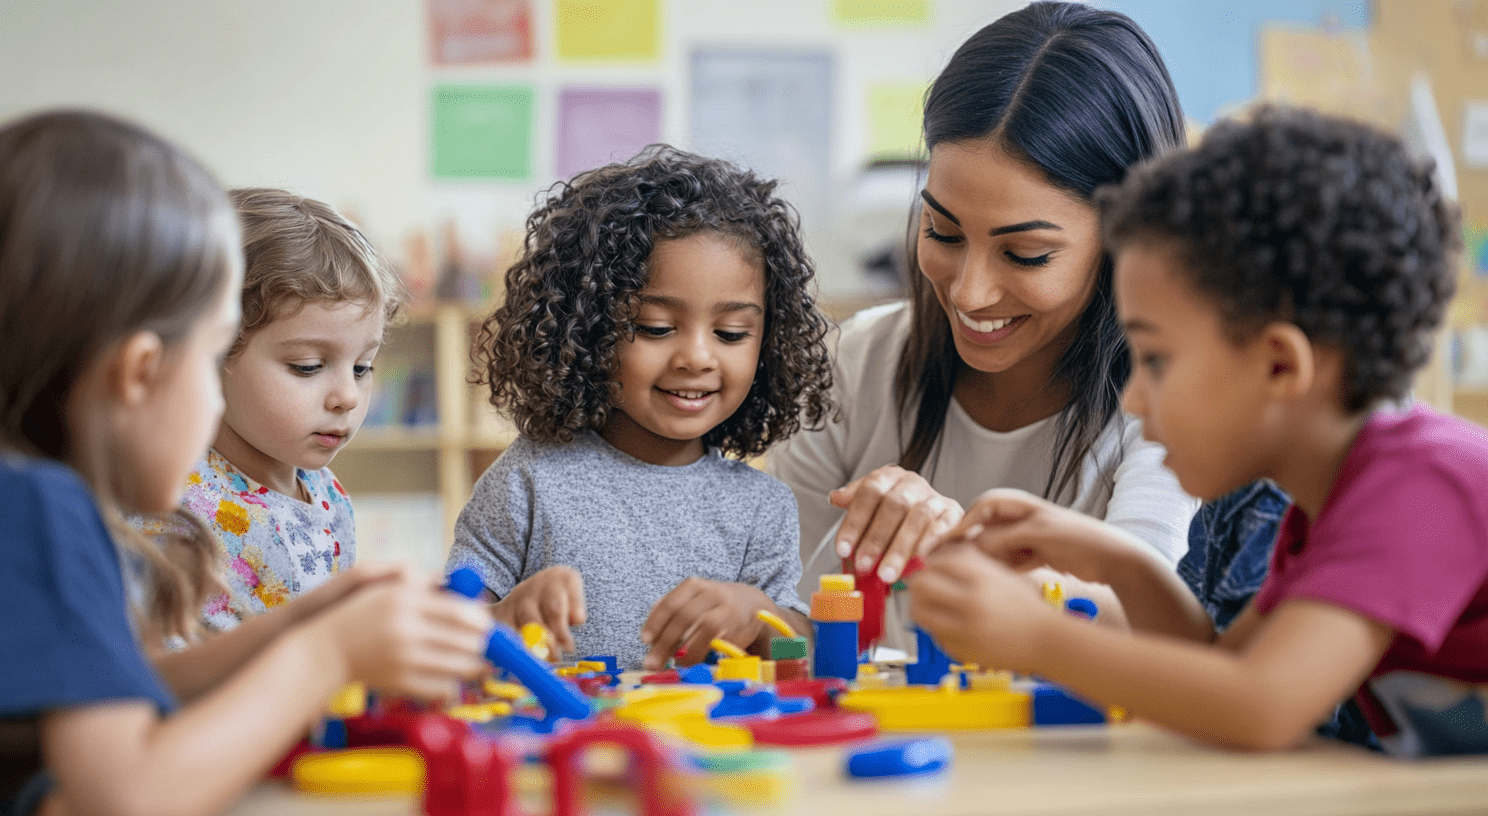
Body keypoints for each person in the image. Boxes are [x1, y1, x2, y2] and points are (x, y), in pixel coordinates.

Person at [910, 106, 1486, 755]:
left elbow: (1263, 706)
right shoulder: (1326, 506)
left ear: (1279, 364)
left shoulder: (1421, 485)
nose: (1132, 398)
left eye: (1156, 359)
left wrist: (1037, 637)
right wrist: (1114, 561)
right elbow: (1216, 665)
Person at [0, 110, 493, 816]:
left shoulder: (33, 501)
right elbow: (126, 798)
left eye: (363, 365)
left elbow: (140, 687)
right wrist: (326, 654)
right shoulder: (37, 510)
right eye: (209, 361)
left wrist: (306, 620)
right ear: (138, 373)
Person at [766, 2, 1197, 635]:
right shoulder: (852, 368)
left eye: (1024, 254)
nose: (969, 294)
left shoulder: (1168, 402)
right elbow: (787, 613)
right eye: (941, 231)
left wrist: (956, 549)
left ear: (1125, 241)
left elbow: (1147, 618)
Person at [446, 145, 835, 672]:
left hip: (714, 747)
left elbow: (799, 658)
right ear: (588, 329)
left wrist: (767, 619)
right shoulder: (528, 481)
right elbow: (444, 632)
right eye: (655, 327)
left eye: (731, 333)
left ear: (766, 344)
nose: (697, 356)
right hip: (570, 745)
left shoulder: (761, 509)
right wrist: (502, 621)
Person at [134, 187, 401, 631]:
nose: (347, 397)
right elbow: (169, 675)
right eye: (307, 367)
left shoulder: (327, 493)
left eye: (362, 367)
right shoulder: (179, 508)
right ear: (213, 354)